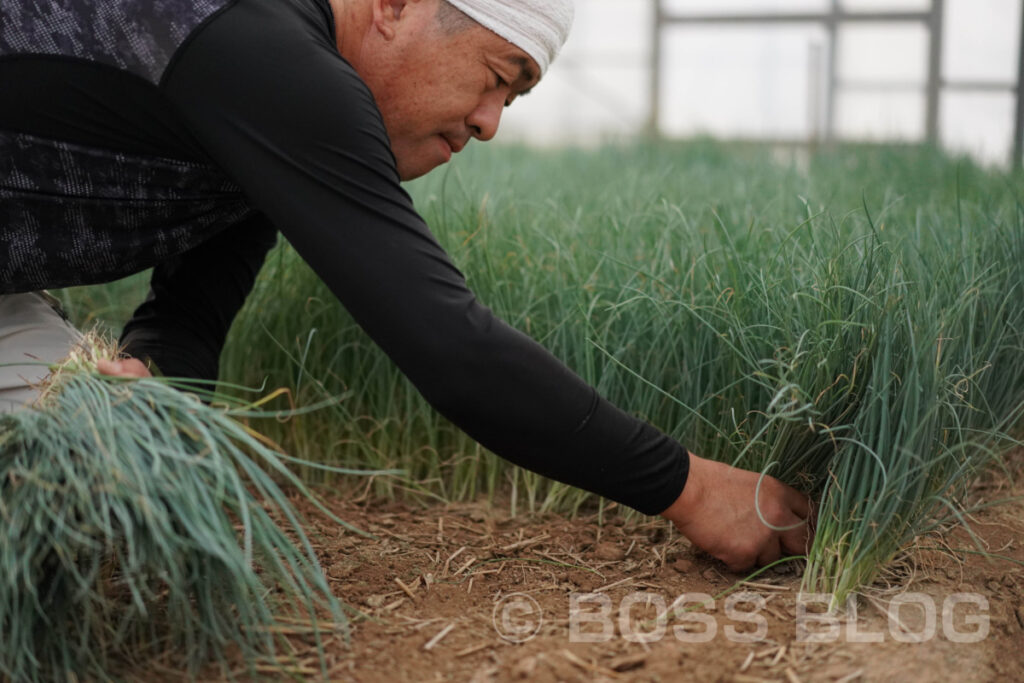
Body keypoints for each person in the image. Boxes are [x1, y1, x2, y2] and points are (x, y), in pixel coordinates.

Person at [0, 0, 812, 571]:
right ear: (393, 5)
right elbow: (451, 348)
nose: (492, 121)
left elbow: (186, 313)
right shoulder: (264, 55)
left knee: (89, 448)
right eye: (500, 76)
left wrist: (153, 392)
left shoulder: (262, 107)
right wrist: (693, 487)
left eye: (516, 97)